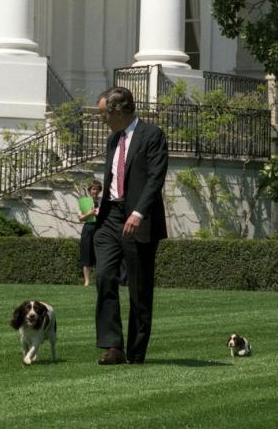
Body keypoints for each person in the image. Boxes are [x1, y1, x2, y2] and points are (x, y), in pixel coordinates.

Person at [93, 86, 168, 365]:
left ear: (118, 110)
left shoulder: (153, 135)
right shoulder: (113, 139)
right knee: (104, 277)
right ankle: (113, 346)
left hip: (139, 220)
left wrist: (138, 213)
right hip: (110, 218)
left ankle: (136, 353)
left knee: (139, 288)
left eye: (103, 114)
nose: (102, 119)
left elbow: (155, 177)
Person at [78, 179, 102, 286]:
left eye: (97, 189)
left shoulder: (103, 201)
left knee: (100, 255)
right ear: (90, 190)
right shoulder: (84, 202)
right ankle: (87, 281)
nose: (95, 191)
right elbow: (81, 218)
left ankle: (99, 280)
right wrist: (91, 213)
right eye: (93, 189)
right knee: (86, 255)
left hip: (100, 228)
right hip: (88, 228)